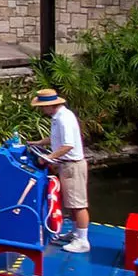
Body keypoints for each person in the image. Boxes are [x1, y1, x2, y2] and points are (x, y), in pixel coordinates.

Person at [33, 87, 91, 253]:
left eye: (42, 107)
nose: (42, 110)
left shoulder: (64, 118)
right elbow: (55, 138)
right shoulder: (58, 117)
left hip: (72, 165)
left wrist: (48, 158)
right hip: (66, 165)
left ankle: (83, 240)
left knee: (78, 204)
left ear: (50, 105)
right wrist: (38, 143)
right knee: (71, 203)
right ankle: (76, 233)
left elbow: (68, 145)